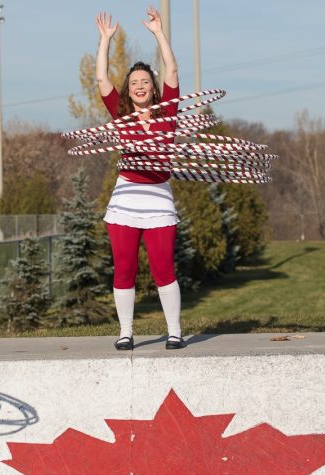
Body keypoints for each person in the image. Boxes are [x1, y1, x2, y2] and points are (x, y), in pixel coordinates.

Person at [95, 6, 185, 351]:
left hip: (159, 198)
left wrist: (159, 33)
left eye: (146, 81)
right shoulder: (121, 115)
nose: (140, 86)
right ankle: (126, 332)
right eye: (134, 83)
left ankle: (174, 331)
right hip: (126, 199)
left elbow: (173, 69)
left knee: (164, 268)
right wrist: (104, 40)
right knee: (125, 268)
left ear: (154, 87)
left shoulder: (169, 112)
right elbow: (102, 79)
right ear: (128, 91)